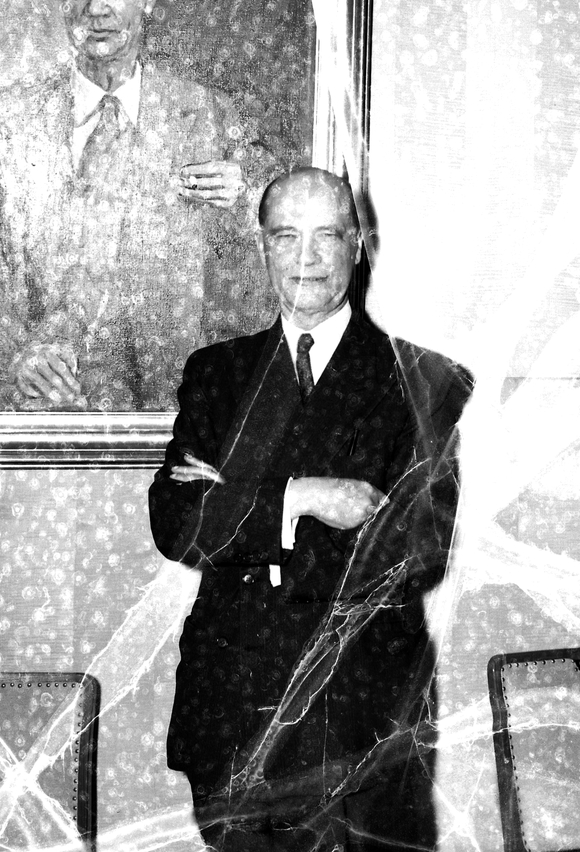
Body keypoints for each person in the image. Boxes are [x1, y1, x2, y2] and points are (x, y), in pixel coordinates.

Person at [148, 167, 474, 850]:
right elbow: (177, 524)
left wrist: (238, 502)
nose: (307, 258)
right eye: (286, 236)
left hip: (357, 719)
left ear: (358, 244)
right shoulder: (217, 374)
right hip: (232, 713)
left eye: (327, 236)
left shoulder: (424, 381)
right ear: (261, 246)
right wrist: (303, 497)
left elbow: (417, 552)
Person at [0, 0, 276, 412]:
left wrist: (249, 193)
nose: (96, 8)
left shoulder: (210, 116)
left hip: (167, 404)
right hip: (32, 401)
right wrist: (17, 355)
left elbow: (286, 219)